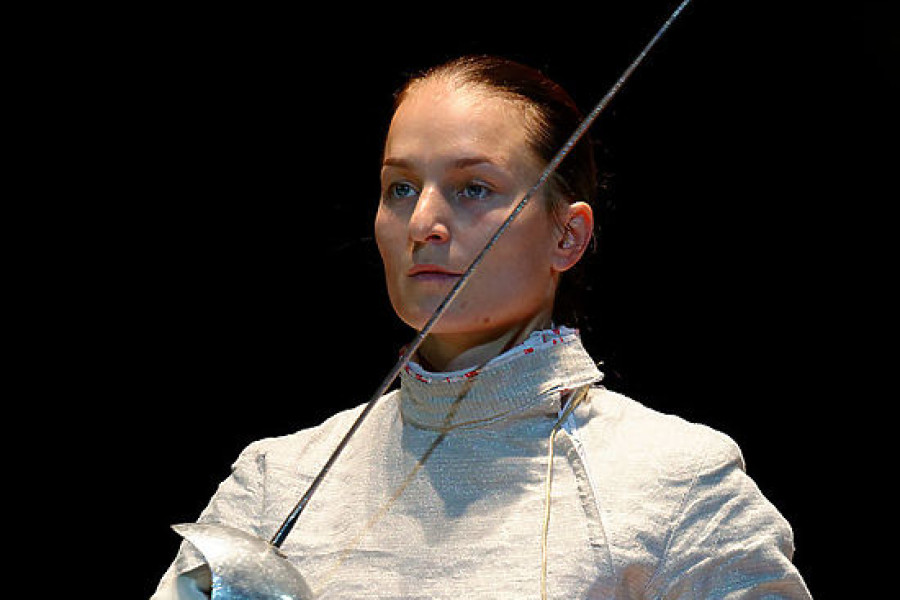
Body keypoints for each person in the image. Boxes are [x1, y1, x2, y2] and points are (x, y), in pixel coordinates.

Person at [152, 55, 811, 599]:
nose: (422, 224)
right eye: (400, 188)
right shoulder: (274, 483)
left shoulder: (679, 484)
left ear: (567, 234)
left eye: (473, 189)